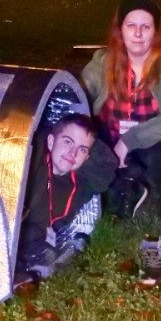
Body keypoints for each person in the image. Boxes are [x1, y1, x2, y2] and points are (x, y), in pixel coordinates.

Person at [79, 0, 161, 288]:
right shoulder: (102, 61)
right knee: (83, 155)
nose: (138, 34)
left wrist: (131, 140)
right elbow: (80, 97)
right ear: (120, 29)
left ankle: (160, 210)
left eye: (146, 27)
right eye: (131, 26)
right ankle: (126, 192)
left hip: (157, 143)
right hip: (112, 142)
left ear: (156, 30)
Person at [14, 112, 116, 288]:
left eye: (82, 149)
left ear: (87, 157)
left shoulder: (80, 184)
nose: (72, 153)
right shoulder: (30, 161)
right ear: (51, 141)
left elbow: (108, 163)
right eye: (68, 142)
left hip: (35, 240)